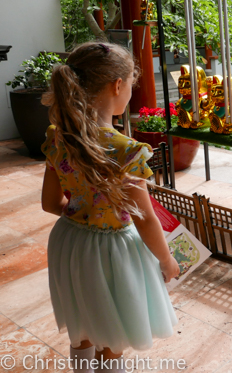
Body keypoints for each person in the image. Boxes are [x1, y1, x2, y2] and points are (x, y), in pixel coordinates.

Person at [40, 42, 180, 373]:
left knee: (82, 322)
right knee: (113, 336)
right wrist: (167, 259)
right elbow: (144, 220)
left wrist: (83, 215)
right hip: (111, 252)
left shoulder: (57, 137)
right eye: (131, 84)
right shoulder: (125, 151)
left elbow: (50, 203)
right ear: (117, 86)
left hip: (68, 243)